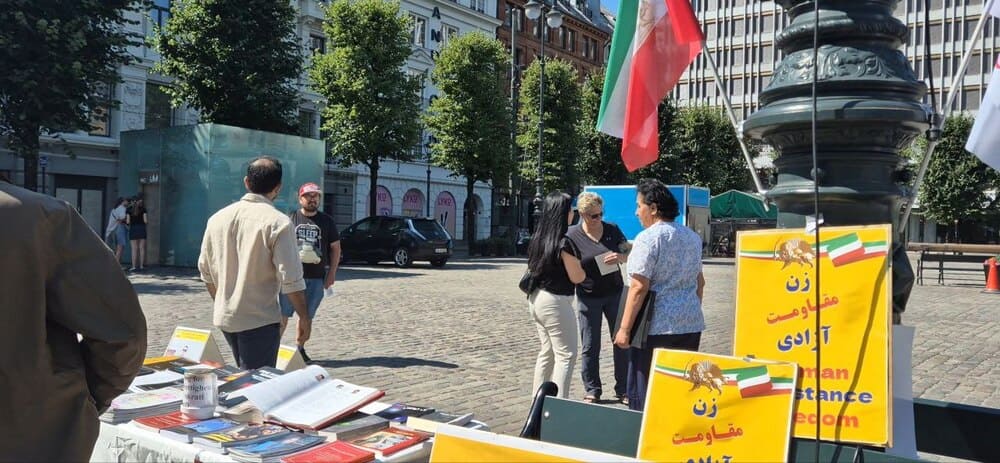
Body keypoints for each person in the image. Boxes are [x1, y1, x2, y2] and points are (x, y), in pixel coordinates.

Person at [0, 175, 147, 460]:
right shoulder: (39, 217)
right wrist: (80, 399)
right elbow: (123, 333)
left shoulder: (39, 217)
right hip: (32, 435)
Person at [198, 156, 310, 369]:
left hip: (226, 317)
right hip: (259, 319)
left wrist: (224, 302)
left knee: (245, 374)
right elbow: (291, 279)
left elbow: (205, 272)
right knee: (256, 381)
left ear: (246, 182)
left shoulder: (217, 219)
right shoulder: (278, 223)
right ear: (278, 187)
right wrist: (304, 317)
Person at [614, 179, 705, 411]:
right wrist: (690, 309)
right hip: (689, 324)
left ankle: (643, 431)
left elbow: (638, 286)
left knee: (646, 390)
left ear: (653, 208)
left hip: (655, 327)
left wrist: (624, 329)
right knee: (679, 388)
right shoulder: (692, 237)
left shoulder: (648, 238)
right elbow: (700, 282)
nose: (636, 212)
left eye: (639, 206)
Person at [566, 191, 629, 404]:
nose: (599, 218)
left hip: (615, 293)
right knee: (590, 345)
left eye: (601, 213)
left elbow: (628, 252)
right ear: (583, 215)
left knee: (621, 341)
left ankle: (624, 388)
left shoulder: (612, 229)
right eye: (594, 215)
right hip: (588, 295)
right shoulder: (572, 235)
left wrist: (621, 257)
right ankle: (592, 389)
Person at [526, 192, 585, 399]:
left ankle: (538, 401)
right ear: (563, 213)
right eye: (571, 210)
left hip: (537, 297)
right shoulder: (563, 243)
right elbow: (577, 277)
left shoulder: (538, 238)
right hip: (555, 301)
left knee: (547, 352)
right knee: (566, 355)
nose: (573, 214)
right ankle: (559, 405)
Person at [278, 182, 341, 363]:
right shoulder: (290, 219)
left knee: (306, 317)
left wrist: (332, 274)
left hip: (315, 278)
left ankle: (300, 348)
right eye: (308, 196)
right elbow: (279, 246)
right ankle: (272, 350)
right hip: (291, 277)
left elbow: (335, 248)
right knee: (282, 315)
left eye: (316, 196)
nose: (313, 199)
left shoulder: (327, 221)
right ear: (300, 199)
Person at [105, 196, 129, 262]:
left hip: (110, 231)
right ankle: (116, 263)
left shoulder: (114, 209)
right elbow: (122, 218)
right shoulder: (122, 208)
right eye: (126, 201)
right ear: (123, 202)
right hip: (118, 229)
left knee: (113, 249)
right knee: (120, 248)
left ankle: (113, 263)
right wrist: (128, 218)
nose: (128, 202)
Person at [127, 196, 148, 271]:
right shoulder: (143, 209)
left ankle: (133, 266)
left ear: (132, 202)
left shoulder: (128, 209)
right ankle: (141, 266)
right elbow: (145, 221)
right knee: (142, 248)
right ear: (139, 201)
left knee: (134, 249)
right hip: (141, 228)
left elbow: (128, 222)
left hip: (133, 229)